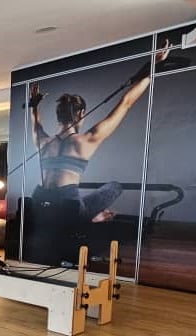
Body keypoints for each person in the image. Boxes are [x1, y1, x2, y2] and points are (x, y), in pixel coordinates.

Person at [30, 40, 170, 223]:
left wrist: (34, 103)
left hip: (40, 203)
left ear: (58, 115)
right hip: (69, 210)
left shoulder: (43, 142)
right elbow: (126, 103)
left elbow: (36, 122)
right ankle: (92, 218)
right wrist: (153, 68)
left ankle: (91, 215)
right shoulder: (88, 140)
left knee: (74, 201)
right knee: (114, 187)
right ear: (81, 113)